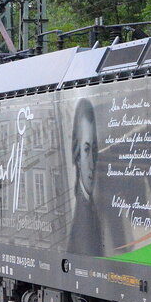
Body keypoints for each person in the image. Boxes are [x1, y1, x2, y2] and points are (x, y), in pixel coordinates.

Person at [67, 98, 102, 254]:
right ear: (77, 155)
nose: (92, 163)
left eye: (94, 150)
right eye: (87, 150)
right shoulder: (81, 219)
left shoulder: (92, 206)